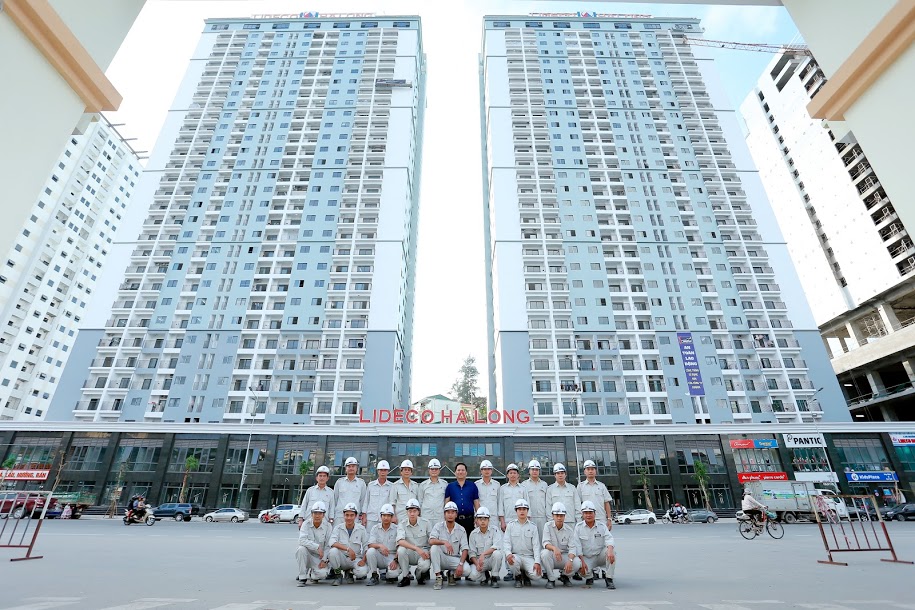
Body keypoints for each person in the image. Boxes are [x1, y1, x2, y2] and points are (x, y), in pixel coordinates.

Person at [574, 501, 616, 589]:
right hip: (586, 558)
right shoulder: (578, 527)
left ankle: (609, 578)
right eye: (586, 513)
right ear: (582, 514)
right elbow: (577, 545)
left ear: (595, 513)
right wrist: (582, 561)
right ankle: (589, 577)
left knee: (612, 552)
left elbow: (609, 538)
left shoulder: (602, 526)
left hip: (599, 556)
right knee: (577, 565)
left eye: (590, 513)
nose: (588, 515)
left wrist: (610, 549)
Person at [429, 501, 470, 590]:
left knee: (467, 570)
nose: (450, 515)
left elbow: (465, 549)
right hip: (441, 558)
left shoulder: (461, 529)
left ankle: (451, 574)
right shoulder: (438, 526)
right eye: (448, 512)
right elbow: (431, 541)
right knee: (434, 548)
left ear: (456, 514)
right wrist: (444, 542)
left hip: (454, 558)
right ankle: (438, 577)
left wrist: (461, 564)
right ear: (444, 514)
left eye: (453, 512)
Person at [540, 502, 581, 589]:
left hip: (564, 557)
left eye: (561, 515)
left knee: (577, 562)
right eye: (557, 515)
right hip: (552, 556)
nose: (559, 518)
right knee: (544, 553)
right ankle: (551, 579)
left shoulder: (569, 530)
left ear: (564, 516)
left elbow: (572, 548)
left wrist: (570, 560)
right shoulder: (547, 526)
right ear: (553, 515)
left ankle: (565, 576)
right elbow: (545, 543)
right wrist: (554, 549)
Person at [503, 498, 542, 588]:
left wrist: (537, 562)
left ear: (527, 511)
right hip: (516, 556)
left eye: (524, 509)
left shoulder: (533, 527)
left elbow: (536, 546)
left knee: (537, 575)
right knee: (512, 561)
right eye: (519, 509)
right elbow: (506, 542)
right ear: (516, 511)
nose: (522, 511)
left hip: (529, 557)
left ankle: (526, 575)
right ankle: (518, 576)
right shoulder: (511, 525)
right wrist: (508, 554)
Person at [327, 502, 369, 585]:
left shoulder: (361, 529)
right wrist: (348, 549)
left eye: (351, 515)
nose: (349, 518)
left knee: (362, 572)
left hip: (355, 558)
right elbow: (332, 542)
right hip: (341, 558)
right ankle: (338, 574)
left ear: (356, 516)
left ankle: (350, 572)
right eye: (347, 515)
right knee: (332, 552)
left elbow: (366, 546)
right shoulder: (338, 528)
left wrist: (363, 560)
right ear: (344, 515)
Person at [396, 498, 432, 587]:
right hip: (409, 552)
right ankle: (406, 577)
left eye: (414, 511)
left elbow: (432, 539)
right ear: (406, 512)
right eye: (410, 511)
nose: (412, 514)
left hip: (423, 551)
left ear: (418, 512)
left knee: (424, 566)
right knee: (401, 550)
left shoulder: (426, 523)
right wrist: (416, 548)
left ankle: (419, 575)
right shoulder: (402, 524)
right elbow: (400, 541)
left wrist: (429, 551)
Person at [295, 501, 332, 586]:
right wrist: (317, 547)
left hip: (319, 557)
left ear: (323, 515)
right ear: (312, 514)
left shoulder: (328, 526)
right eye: (315, 513)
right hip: (308, 555)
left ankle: (313, 573)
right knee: (301, 549)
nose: (317, 516)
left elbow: (328, 545)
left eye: (320, 513)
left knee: (321, 575)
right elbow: (301, 540)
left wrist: (324, 560)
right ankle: (302, 577)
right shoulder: (306, 524)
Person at [365, 503, 400, 586]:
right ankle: (374, 575)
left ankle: (389, 574)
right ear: (381, 516)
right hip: (379, 556)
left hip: (391, 556)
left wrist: (395, 560)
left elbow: (400, 546)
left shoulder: (397, 529)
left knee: (393, 574)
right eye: (384, 515)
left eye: (388, 516)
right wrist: (380, 546)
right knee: (370, 551)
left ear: (392, 517)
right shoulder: (375, 528)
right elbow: (370, 544)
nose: (386, 518)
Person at [467, 506, 503, 588]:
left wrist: (483, 554)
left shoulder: (495, 530)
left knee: (497, 554)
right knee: (472, 575)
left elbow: (496, 546)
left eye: (485, 519)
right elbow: (472, 553)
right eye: (480, 519)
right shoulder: (473, 534)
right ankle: (485, 576)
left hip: (491, 560)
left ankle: (494, 577)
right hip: (480, 562)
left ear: (489, 520)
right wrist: (477, 564)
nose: (483, 521)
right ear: (476, 520)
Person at [444, 462, 480, 536]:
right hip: (455, 520)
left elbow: (476, 502)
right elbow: (446, 503)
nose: (460, 472)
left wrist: (478, 517)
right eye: (458, 470)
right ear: (455, 472)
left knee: (469, 539)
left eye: (463, 470)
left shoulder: (472, 485)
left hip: (469, 520)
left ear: (466, 472)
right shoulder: (450, 486)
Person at [577, 460, 614, 530]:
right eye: (588, 469)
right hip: (586, 519)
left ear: (595, 471)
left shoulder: (602, 486)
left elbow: (606, 503)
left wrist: (609, 518)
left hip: (601, 519)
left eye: (592, 469)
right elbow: (578, 504)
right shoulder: (580, 486)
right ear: (584, 472)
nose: (590, 471)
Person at [334, 456, 367, 525]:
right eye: (349, 466)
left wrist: (361, 514)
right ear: (345, 468)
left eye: (353, 466)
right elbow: (335, 499)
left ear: (356, 468)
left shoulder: (361, 483)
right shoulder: (339, 482)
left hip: (355, 516)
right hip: (340, 516)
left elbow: (363, 501)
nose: (351, 468)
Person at [362, 460, 392, 533]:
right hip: (371, 518)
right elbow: (366, 501)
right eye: (381, 470)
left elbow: (392, 503)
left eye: (385, 470)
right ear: (378, 471)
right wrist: (364, 516)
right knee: (369, 537)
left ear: (388, 471)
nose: (383, 472)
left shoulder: (391, 486)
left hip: (385, 518)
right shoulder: (371, 485)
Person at [499, 464, 529, 532]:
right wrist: (502, 522)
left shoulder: (523, 489)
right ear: (507, 475)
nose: (513, 475)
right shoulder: (502, 489)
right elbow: (500, 506)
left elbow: (527, 505)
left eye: (514, 473)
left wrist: (527, 521)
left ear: (518, 475)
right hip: (507, 520)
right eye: (511, 473)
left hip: (521, 520)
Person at [418, 458, 448, 527]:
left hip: (440, 517)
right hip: (426, 517)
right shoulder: (423, 485)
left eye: (436, 469)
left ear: (439, 470)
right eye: (432, 469)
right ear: (429, 470)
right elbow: (420, 502)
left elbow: (446, 501)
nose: (434, 471)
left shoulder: (445, 484)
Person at [523, 460, 550, 534]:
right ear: (529, 471)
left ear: (539, 471)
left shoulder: (544, 485)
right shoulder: (524, 485)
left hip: (543, 517)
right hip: (529, 517)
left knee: (543, 537)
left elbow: (547, 502)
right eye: (533, 469)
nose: (535, 471)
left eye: (536, 470)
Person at [389, 459, 419, 525]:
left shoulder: (415, 485)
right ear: (401, 472)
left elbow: (418, 502)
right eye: (405, 470)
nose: (407, 472)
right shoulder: (395, 485)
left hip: (412, 517)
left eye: (409, 470)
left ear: (411, 472)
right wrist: (393, 516)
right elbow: (392, 502)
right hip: (400, 517)